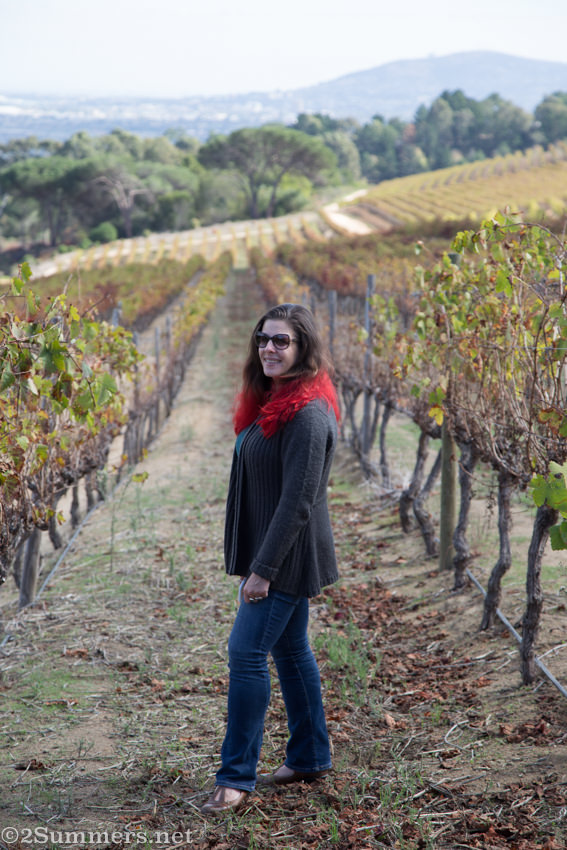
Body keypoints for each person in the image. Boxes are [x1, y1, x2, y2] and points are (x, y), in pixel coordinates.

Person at [201, 302, 340, 814]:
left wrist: (262, 570)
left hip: (284, 558)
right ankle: (309, 756)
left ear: (303, 348)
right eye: (264, 339)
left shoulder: (307, 412)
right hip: (275, 552)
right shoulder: (273, 402)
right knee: (290, 652)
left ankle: (236, 776)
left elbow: (298, 501)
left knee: (245, 654)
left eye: (282, 341)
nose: (269, 348)